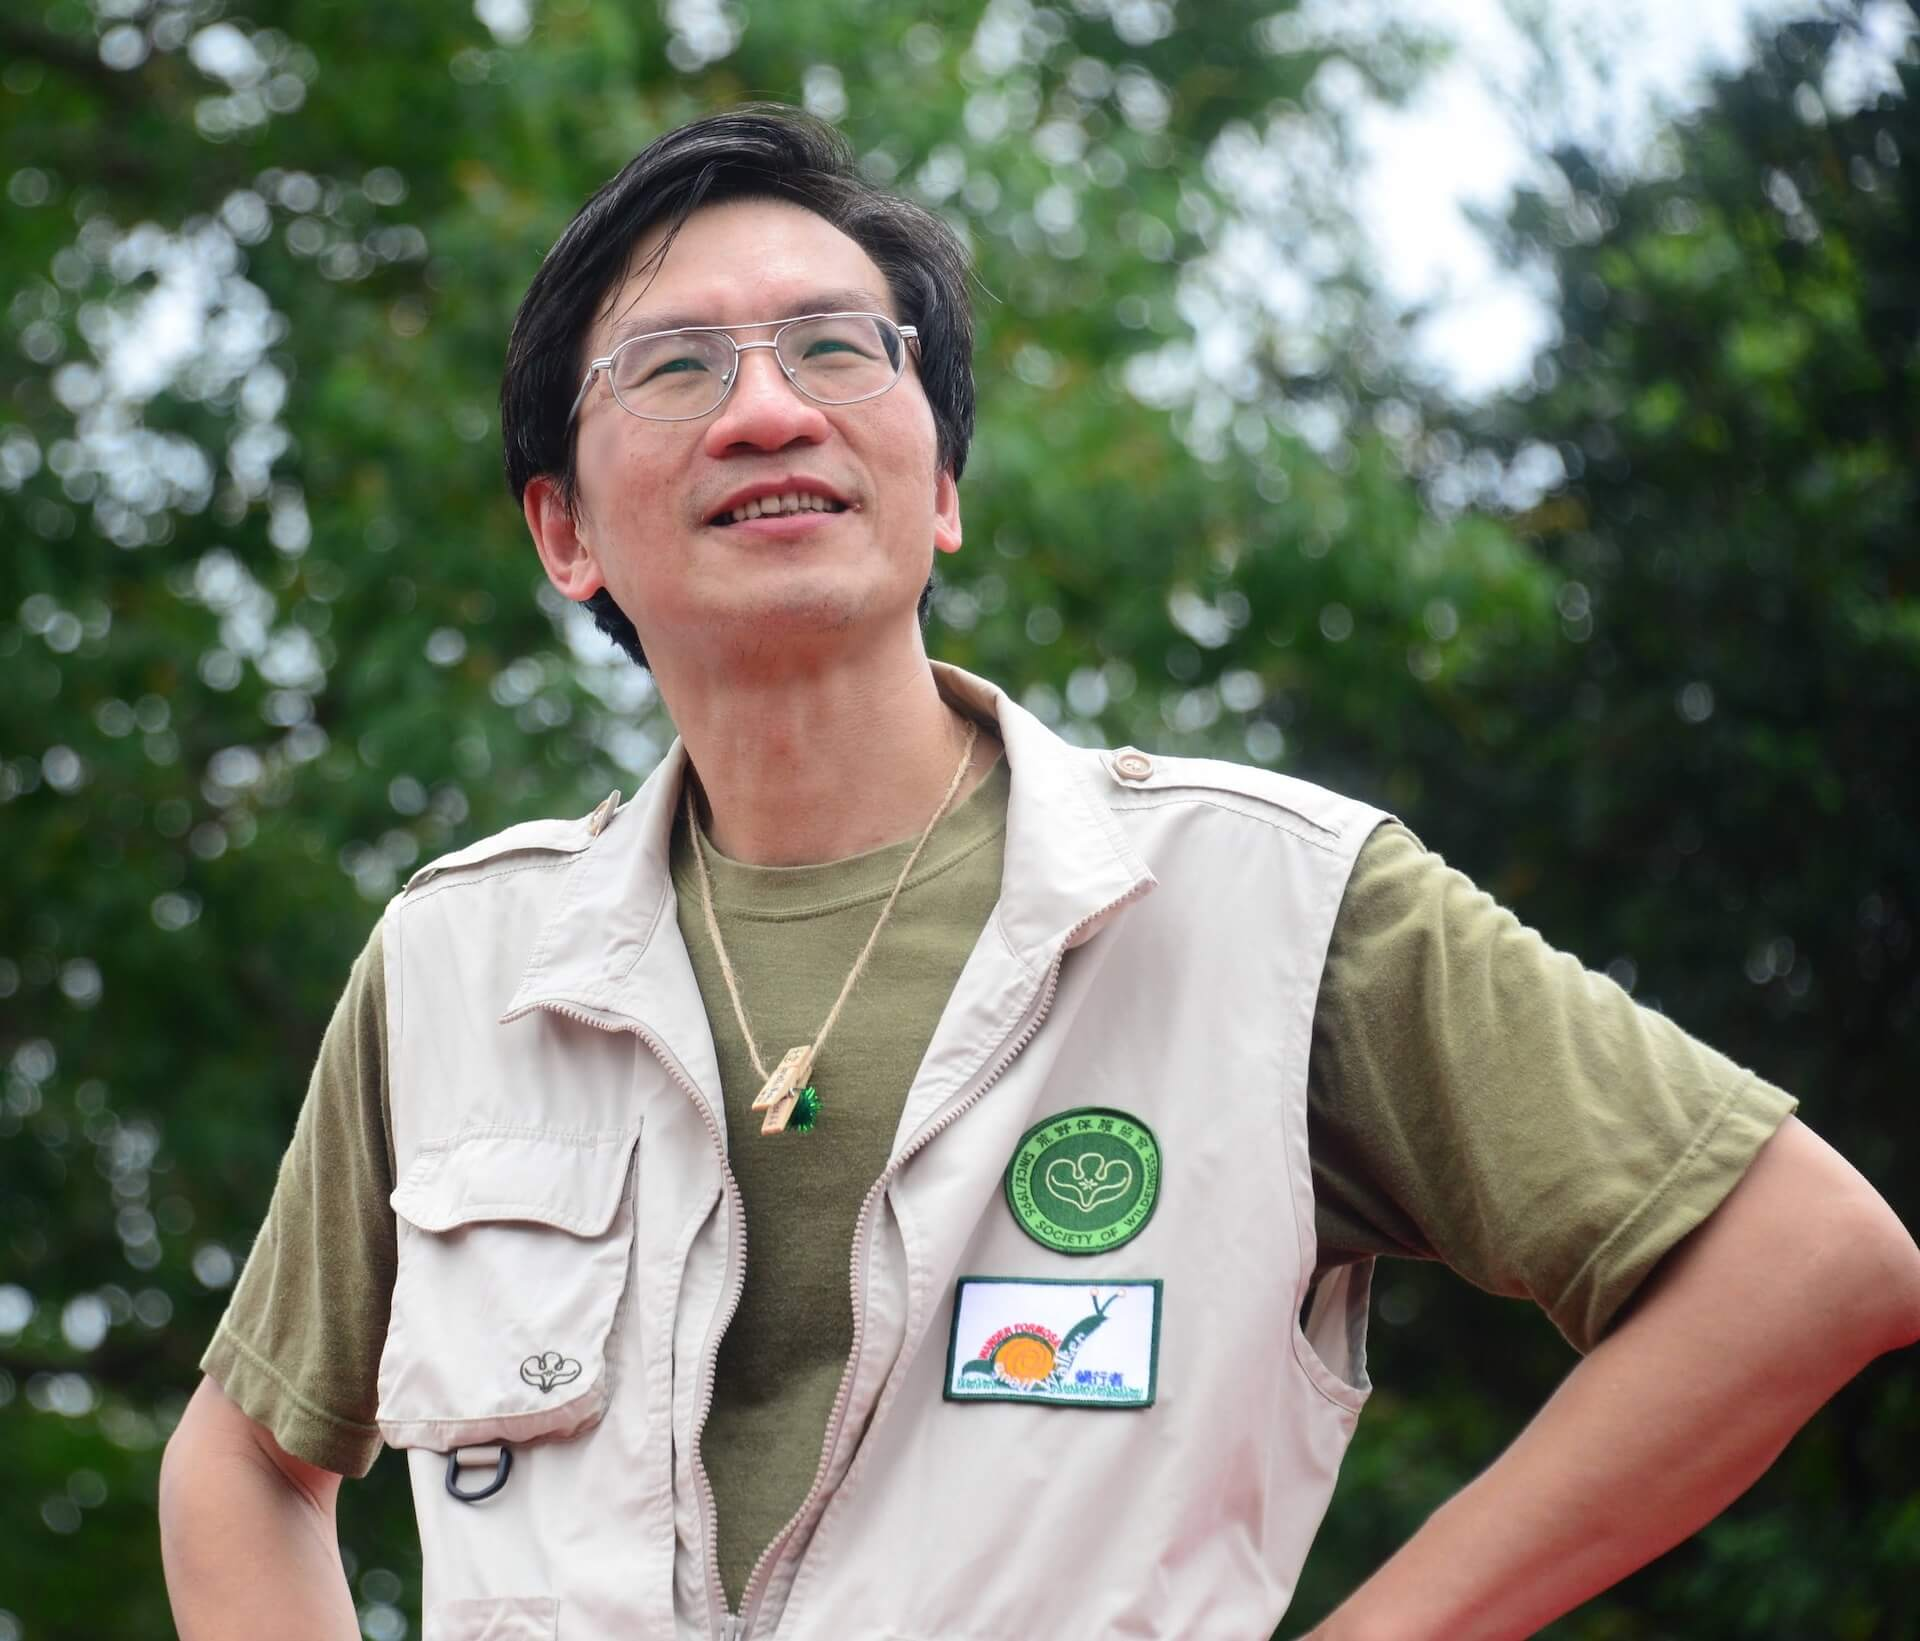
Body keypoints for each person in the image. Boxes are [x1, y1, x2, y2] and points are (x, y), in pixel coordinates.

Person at [158, 105, 1920, 1641]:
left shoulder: (1267, 904)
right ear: (565, 532)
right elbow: (240, 1461)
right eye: (675, 367)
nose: (766, 410)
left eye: (837, 348)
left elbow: (1807, 1262)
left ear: (941, 487)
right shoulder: (458, 962)